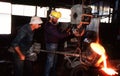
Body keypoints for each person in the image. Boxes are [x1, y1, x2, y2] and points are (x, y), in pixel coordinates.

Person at [44, 10, 70, 76]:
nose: (57, 20)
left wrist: (66, 32)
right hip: (51, 45)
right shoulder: (49, 26)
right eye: (56, 18)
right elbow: (59, 35)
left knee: (54, 61)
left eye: (57, 18)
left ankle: (52, 73)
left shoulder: (52, 25)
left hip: (53, 44)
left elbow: (59, 33)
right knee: (50, 62)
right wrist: (69, 33)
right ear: (51, 17)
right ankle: (46, 74)